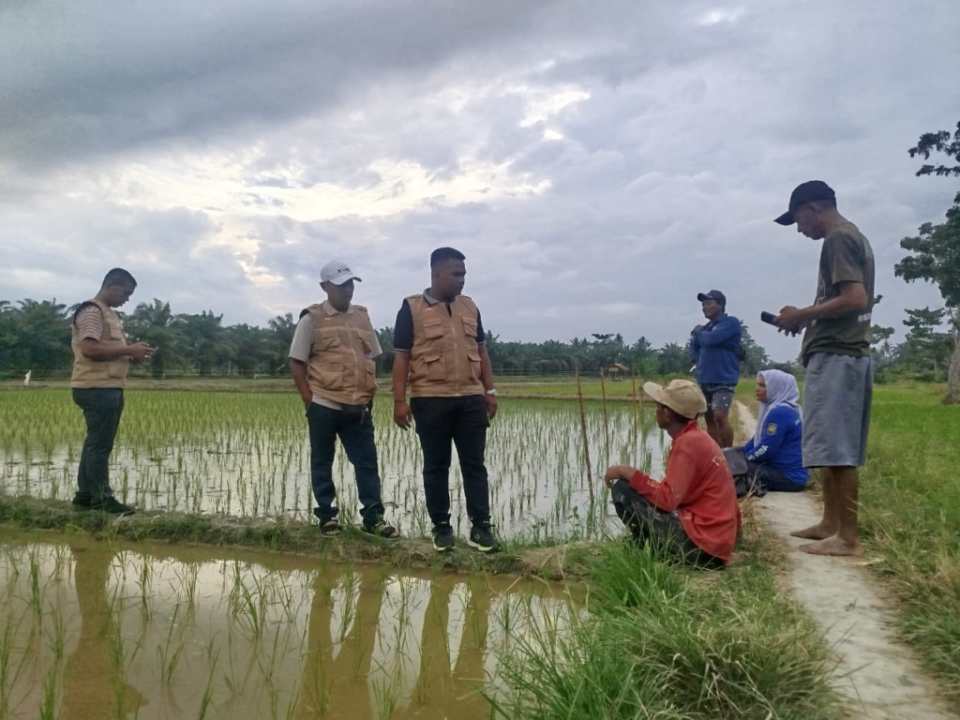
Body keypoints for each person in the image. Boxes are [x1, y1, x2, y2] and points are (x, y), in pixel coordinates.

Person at [773, 180, 875, 557]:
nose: (800, 229)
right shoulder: (851, 237)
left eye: (798, 220)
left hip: (839, 354)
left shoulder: (839, 238)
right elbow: (843, 300)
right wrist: (805, 320)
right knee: (830, 446)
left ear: (812, 209)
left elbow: (854, 297)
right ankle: (830, 523)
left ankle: (847, 537)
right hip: (835, 350)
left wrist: (803, 313)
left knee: (839, 448)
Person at [391, 247, 499, 553]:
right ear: (436, 273)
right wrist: (400, 401)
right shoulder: (411, 308)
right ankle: (441, 528)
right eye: (456, 274)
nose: (462, 280)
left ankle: (481, 528)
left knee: (475, 466)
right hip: (430, 400)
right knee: (436, 466)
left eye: (464, 274)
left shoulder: (470, 306)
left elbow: (482, 352)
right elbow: (402, 358)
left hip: (470, 399)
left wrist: (489, 392)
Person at [289, 260, 397, 538]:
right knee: (322, 461)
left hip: (358, 405)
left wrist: (369, 387)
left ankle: (373, 518)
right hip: (324, 402)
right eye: (341, 286)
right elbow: (297, 362)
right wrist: (309, 400)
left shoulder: (362, 316)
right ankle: (327, 516)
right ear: (325, 287)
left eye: (350, 284)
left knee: (366, 462)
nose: (348, 290)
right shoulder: (311, 318)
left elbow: (375, 355)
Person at [603, 379, 740, 567]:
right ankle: (649, 546)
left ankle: (647, 546)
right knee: (639, 491)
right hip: (714, 544)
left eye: (658, 406)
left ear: (667, 413)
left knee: (623, 489)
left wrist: (627, 472)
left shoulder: (688, 444)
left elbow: (667, 500)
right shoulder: (696, 437)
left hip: (703, 549)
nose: (656, 411)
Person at [70, 268, 153, 515]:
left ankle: (85, 495)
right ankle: (102, 499)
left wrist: (133, 353)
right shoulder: (92, 312)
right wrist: (129, 350)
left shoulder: (108, 315)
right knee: (100, 445)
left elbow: (107, 349)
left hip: (104, 386)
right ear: (113, 286)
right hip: (97, 388)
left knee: (94, 443)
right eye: (126, 293)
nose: (127, 298)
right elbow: (90, 350)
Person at [729, 369, 809, 496]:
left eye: (762, 385)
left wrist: (745, 459)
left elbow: (766, 449)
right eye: (758, 384)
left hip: (788, 477)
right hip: (795, 475)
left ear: (777, 388)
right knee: (732, 456)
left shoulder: (779, 412)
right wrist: (739, 453)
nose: (757, 389)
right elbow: (758, 440)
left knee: (734, 468)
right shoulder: (788, 408)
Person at [688, 289, 742, 448]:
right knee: (709, 418)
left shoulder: (730, 323)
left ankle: (727, 452)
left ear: (720, 305)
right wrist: (699, 361)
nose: (704, 307)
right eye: (703, 304)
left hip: (724, 379)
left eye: (708, 303)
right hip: (704, 378)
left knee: (720, 416)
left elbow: (711, 340)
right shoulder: (705, 328)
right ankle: (716, 452)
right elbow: (694, 347)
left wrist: (698, 332)